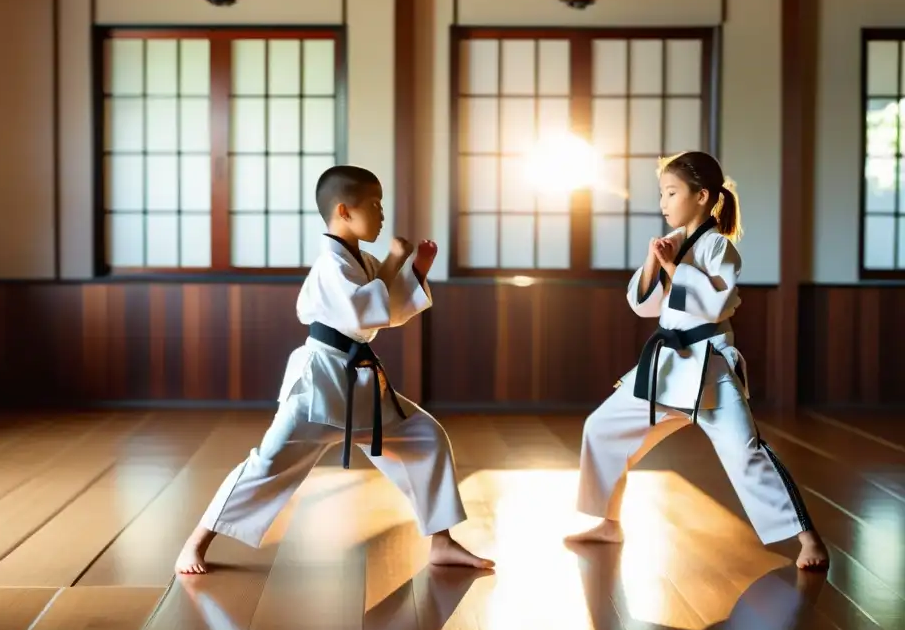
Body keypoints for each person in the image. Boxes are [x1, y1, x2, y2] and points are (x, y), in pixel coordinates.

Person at [176, 164, 495, 575]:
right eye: (375, 204)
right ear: (344, 210)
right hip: (320, 386)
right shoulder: (330, 263)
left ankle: (442, 542)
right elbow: (363, 311)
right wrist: (398, 259)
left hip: (361, 386)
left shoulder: (361, 259)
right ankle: (196, 542)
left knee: (425, 437)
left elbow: (385, 308)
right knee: (268, 463)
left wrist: (414, 270)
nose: (382, 213)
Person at [565, 151, 829, 570]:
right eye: (662, 194)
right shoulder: (675, 245)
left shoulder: (719, 247)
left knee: (746, 451)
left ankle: (808, 538)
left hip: (710, 368)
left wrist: (675, 267)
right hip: (667, 366)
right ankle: (609, 521)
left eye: (672, 193)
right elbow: (643, 305)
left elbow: (717, 302)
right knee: (602, 426)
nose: (664, 203)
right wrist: (656, 260)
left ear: (702, 196)